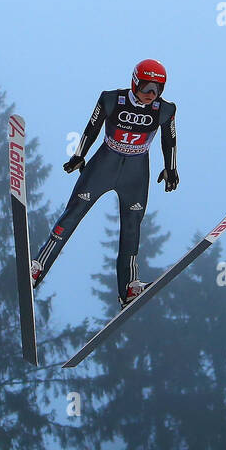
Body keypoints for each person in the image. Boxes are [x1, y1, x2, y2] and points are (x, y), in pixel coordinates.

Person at [31, 59, 178, 308]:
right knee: (73, 214)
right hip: (104, 166)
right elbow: (92, 127)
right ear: (134, 83)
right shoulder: (111, 99)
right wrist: (79, 154)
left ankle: (129, 288)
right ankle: (38, 267)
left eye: (157, 90)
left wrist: (171, 168)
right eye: (146, 88)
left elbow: (170, 139)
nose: (151, 95)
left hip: (136, 172)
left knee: (132, 228)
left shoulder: (165, 109)